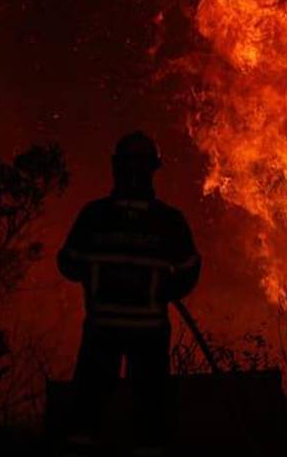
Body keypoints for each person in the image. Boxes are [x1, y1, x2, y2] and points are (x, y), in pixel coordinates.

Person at [57, 132, 200, 456]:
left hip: (101, 329)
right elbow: (191, 267)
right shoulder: (167, 221)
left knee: (88, 410)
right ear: (154, 169)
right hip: (149, 332)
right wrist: (168, 289)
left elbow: (67, 262)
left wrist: (97, 278)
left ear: (115, 167)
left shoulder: (94, 216)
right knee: (149, 412)